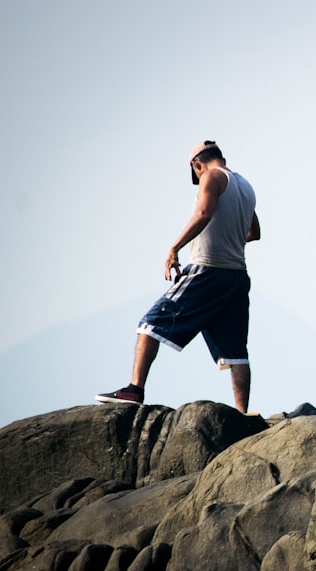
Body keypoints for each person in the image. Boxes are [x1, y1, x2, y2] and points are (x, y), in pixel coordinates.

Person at [96, 140, 260, 412]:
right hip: (237, 276)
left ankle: (134, 390)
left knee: (150, 324)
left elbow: (204, 213)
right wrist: (228, 235)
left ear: (197, 165)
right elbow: (254, 233)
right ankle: (243, 413)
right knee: (236, 353)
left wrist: (175, 248)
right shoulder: (245, 187)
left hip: (207, 270)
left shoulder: (211, 177)